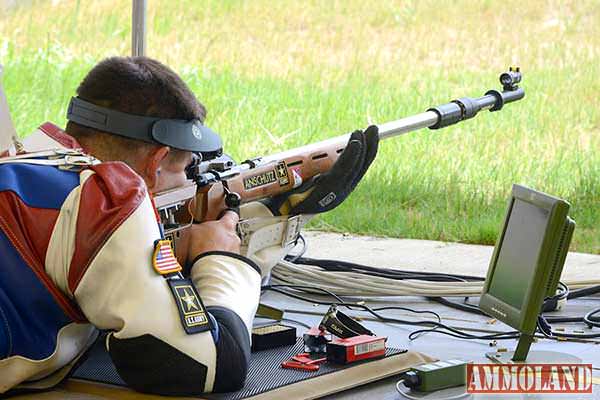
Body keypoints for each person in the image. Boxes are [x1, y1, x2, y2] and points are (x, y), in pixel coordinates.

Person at [0, 56, 378, 396]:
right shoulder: (108, 197)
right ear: (156, 162)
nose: (189, 183)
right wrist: (221, 258)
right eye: (186, 171)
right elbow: (204, 366)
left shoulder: (21, 162)